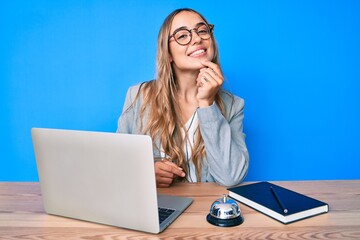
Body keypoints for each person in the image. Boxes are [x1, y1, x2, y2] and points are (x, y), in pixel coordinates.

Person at [117, 8, 249, 187]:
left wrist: (206, 104)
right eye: (182, 35)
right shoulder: (138, 96)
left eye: (202, 30)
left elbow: (231, 177)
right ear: (168, 53)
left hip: (205, 210)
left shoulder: (233, 105)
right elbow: (117, 163)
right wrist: (144, 171)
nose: (196, 39)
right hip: (156, 207)